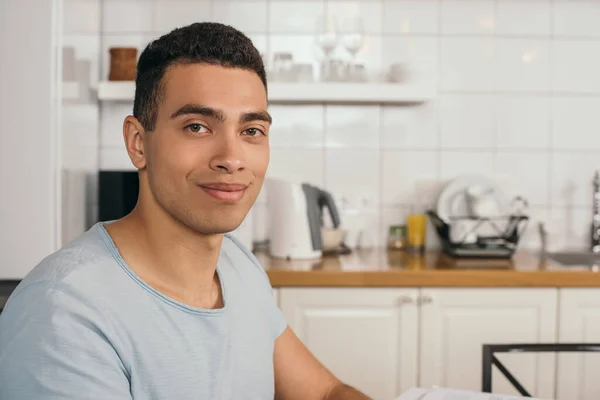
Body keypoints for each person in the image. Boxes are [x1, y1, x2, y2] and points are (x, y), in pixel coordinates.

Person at [0, 22, 371, 400]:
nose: (231, 158)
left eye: (252, 130)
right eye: (197, 127)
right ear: (138, 143)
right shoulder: (64, 313)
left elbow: (326, 391)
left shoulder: (238, 267)